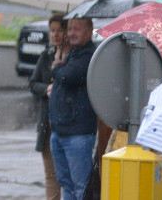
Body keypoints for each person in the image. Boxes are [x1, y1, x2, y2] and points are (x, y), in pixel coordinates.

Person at [47, 16, 98, 200]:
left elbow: (69, 76)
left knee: (80, 187)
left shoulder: (89, 54)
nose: (71, 34)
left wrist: (57, 68)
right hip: (60, 132)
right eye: (69, 29)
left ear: (89, 31)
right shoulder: (72, 54)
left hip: (78, 133)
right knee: (66, 185)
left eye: (76, 29)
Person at [29, 14, 64, 200]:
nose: (56, 34)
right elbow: (33, 83)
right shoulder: (46, 55)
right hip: (47, 125)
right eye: (52, 31)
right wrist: (46, 88)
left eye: (59, 30)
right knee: (51, 176)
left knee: (68, 177)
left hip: (67, 125)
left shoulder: (72, 57)